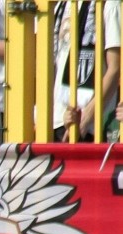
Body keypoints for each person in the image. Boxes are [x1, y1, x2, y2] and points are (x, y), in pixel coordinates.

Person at [52, 0, 121, 142]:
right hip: (60, 120)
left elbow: (115, 69)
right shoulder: (59, 5)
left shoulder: (108, 5)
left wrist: (85, 121)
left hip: (91, 128)